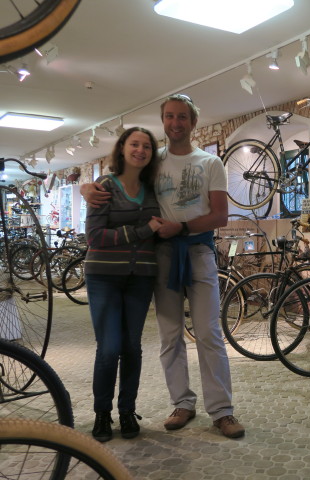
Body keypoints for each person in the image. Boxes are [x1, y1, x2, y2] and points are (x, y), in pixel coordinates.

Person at [81, 94, 244, 439]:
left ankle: (222, 411)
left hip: (198, 252)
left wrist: (182, 228)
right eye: (169, 117)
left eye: (182, 117)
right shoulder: (154, 162)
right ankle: (182, 403)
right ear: (164, 121)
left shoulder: (210, 162)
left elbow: (220, 216)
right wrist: (87, 188)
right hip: (161, 256)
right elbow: (121, 178)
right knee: (170, 336)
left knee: (209, 333)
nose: (175, 123)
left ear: (193, 122)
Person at [85, 127, 161, 442]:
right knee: (110, 348)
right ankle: (102, 413)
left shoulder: (153, 188)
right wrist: (141, 231)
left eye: (146, 146)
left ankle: (127, 411)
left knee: (132, 347)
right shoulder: (104, 185)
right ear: (122, 148)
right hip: (103, 276)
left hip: (140, 277)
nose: (140, 150)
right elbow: (94, 237)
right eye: (134, 144)